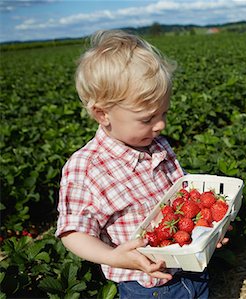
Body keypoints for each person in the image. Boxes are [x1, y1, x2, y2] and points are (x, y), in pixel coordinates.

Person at [56, 29, 226, 298]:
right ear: (103, 114)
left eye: (164, 113)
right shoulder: (87, 168)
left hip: (192, 270)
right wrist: (113, 257)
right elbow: (73, 232)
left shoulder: (158, 145)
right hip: (147, 287)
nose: (161, 125)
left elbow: (181, 201)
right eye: (148, 119)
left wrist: (207, 231)